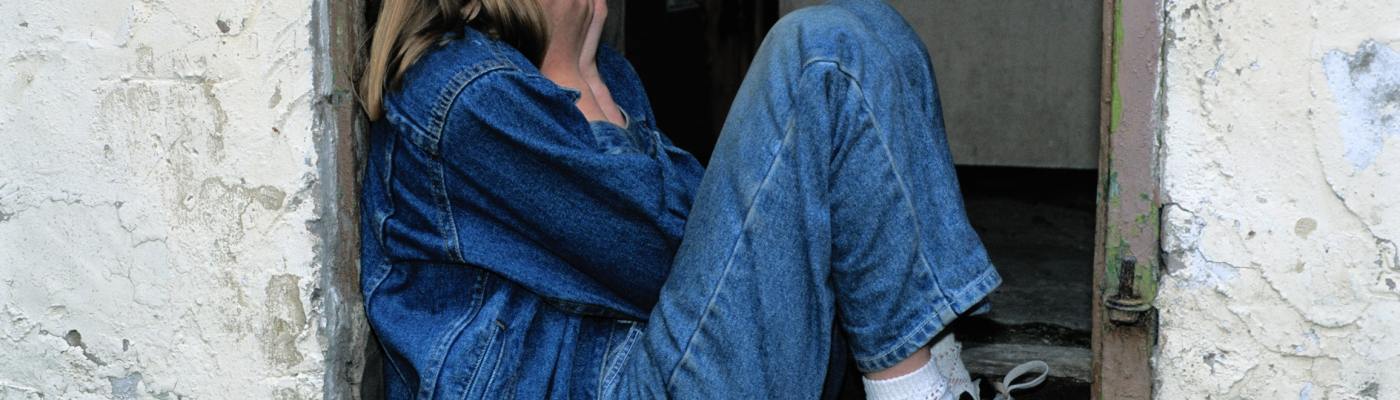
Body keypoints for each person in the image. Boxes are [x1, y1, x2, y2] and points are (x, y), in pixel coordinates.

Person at [357, 0, 1047, 398]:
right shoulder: (465, 93)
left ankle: (930, 383)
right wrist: (576, 75)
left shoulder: (579, 75)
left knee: (871, 27)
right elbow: (665, 254)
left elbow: (695, 240)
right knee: (821, 51)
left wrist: (589, 76)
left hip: (650, 366)